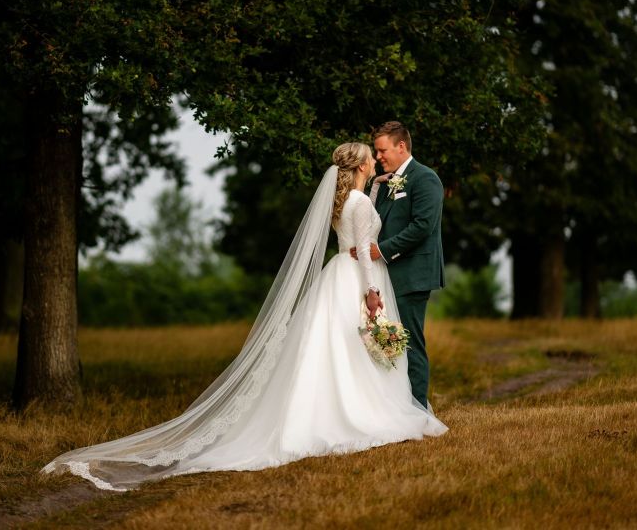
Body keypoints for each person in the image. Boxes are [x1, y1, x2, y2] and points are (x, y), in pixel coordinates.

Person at [42, 142, 447, 492]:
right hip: (358, 276)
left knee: (333, 349)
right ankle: (362, 413)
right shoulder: (358, 202)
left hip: (335, 274)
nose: (376, 161)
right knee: (358, 347)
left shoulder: (346, 200)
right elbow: (363, 246)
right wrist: (372, 293)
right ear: (360, 165)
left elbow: (359, 226)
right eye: (371, 158)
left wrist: (374, 192)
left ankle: (331, 409)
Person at [354, 121, 445, 408]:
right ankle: (394, 407)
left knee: (410, 343)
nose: (378, 157)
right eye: (377, 152)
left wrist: (380, 250)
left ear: (401, 146)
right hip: (389, 275)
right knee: (389, 342)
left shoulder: (425, 178)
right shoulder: (388, 181)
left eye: (382, 151)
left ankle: (418, 410)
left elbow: (423, 226)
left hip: (413, 274)